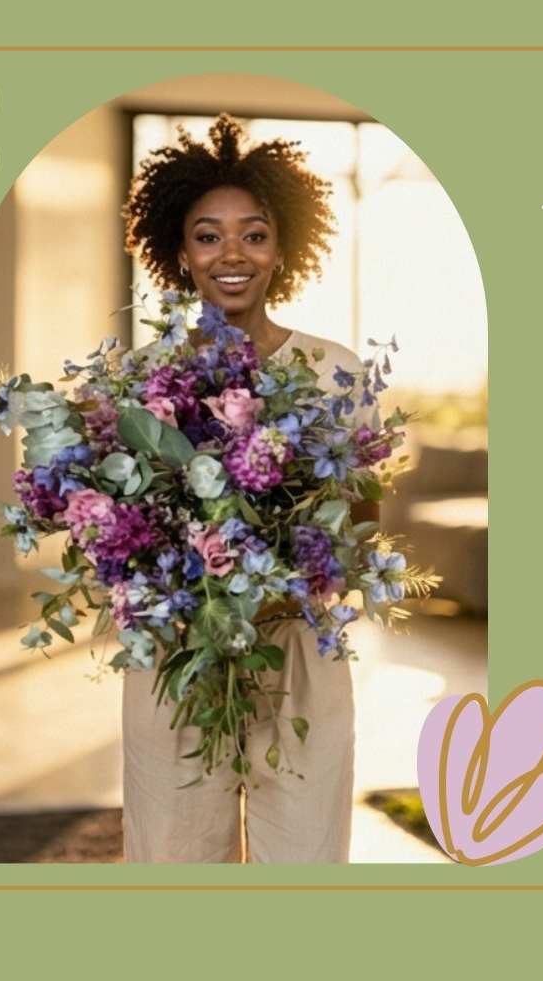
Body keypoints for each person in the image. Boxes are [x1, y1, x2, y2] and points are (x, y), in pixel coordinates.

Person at [116, 116, 361, 863]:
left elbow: (363, 519)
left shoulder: (335, 371)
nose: (232, 254)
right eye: (207, 236)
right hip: (176, 656)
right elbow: (114, 533)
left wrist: (296, 577)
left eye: (254, 235)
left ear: (282, 249)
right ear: (179, 253)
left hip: (300, 654)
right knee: (174, 854)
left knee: (306, 854)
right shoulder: (140, 379)